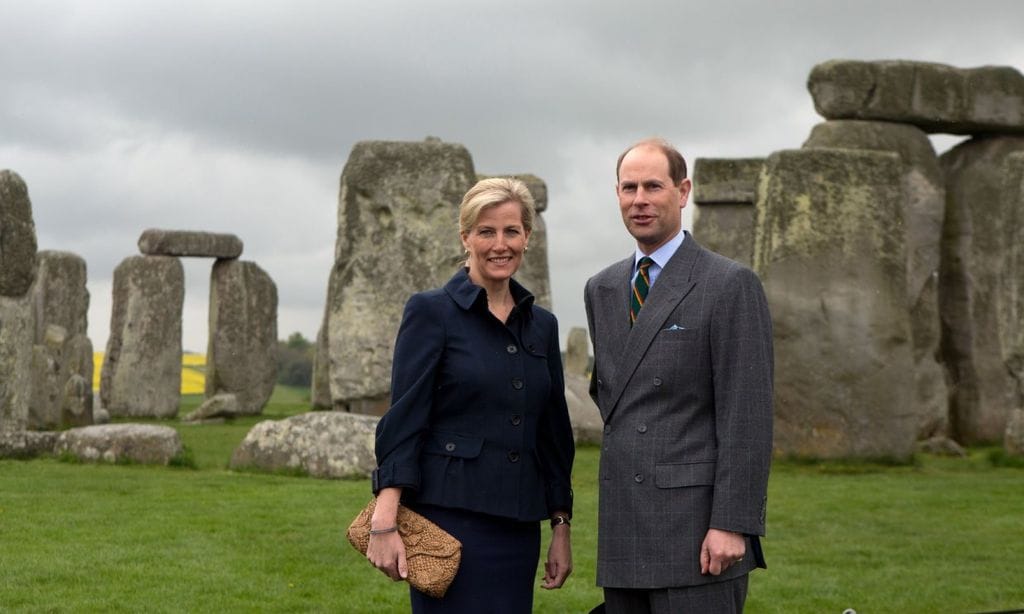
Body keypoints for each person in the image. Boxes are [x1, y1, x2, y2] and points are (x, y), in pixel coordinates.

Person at [368, 177, 575, 613]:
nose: (500, 244)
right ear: (465, 237)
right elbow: (405, 417)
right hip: (448, 522)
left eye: (511, 231)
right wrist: (385, 517)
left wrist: (560, 525)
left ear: (527, 238)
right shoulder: (430, 311)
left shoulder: (543, 325)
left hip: (519, 528)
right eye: (486, 232)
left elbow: (553, 433)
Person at [583, 138, 773, 613]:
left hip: (697, 533)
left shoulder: (728, 284)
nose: (640, 199)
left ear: (683, 191)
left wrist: (733, 522)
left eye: (653, 185)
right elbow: (613, 401)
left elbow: (747, 415)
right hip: (623, 526)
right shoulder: (601, 288)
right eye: (629, 188)